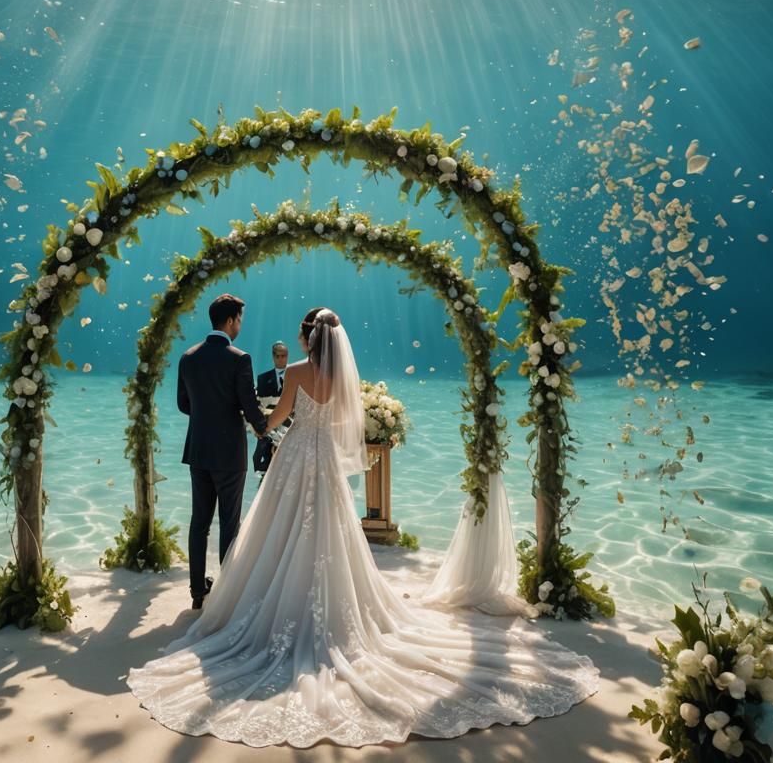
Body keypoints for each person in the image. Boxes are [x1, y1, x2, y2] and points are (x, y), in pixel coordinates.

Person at [130, 307, 599, 748]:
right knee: (332, 532)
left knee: (277, 527)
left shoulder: (295, 372)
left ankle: (263, 597)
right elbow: (342, 424)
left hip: (295, 458)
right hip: (328, 464)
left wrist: (261, 427)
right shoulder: (343, 379)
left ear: (306, 337)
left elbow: (277, 418)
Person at [177, 293, 267, 611]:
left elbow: (183, 404)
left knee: (199, 521)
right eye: (240, 319)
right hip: (229, 453)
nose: (240, 325)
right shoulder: (239, 358)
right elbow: (249, 405)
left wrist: (208, 415)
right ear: (230, 321)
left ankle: (197, 592)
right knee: (230, 521)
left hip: (198, 450)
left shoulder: (188, 357)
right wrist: (264, 425)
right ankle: (227, 592)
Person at [252, 341, 289, 476]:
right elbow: (259, 405)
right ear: (273, 357)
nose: (281, 359)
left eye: (284, 356)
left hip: (290, 429)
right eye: (278, 356)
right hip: (269, 431)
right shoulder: (262, 379)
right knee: (265, 468)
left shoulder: (295, 375)